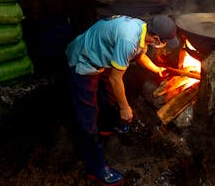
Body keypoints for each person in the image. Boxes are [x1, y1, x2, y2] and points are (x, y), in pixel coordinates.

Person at [66, 14, 179, 185]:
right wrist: (125, 107)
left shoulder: (142, 29)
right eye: (164, 42)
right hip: (84, 60)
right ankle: (96, 168)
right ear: (156, 38)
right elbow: (115, 78)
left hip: (102, 59)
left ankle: (106, 126)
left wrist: (157, 70)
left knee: (108, 95)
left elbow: (139, 56)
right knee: (87, 114)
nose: (164, 45)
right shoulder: (128, 40)